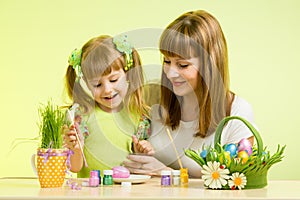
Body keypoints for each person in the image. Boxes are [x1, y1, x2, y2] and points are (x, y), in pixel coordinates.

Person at [123, 10, 256, 178]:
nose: (170, 74)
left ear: (210, 65)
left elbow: (236, 184)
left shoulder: (237, 113)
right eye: (166, 61)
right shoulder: (154, 99)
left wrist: (167, 173)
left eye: (183, 65)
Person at [64, 34, 153, 177]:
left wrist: (142, 151)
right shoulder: (80, 117)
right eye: (97, 84)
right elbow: (74, 168)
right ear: (86, 84)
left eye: (114, 80)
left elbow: (143, 166)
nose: (107, 89)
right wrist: (76, 147)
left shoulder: (139, 116)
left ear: (128, 74)